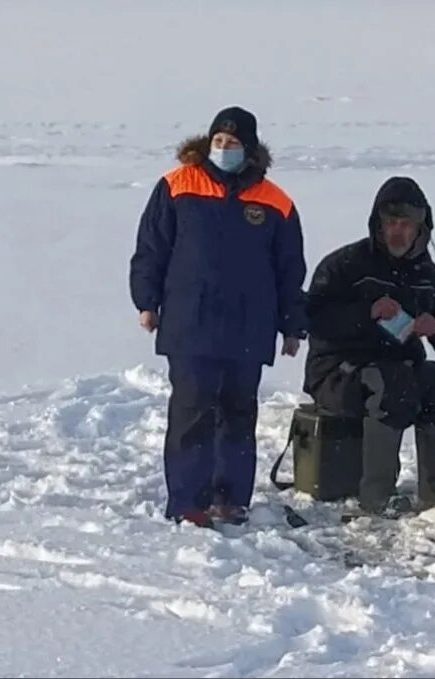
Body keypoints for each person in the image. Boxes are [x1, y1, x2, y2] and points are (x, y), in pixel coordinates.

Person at [129, 106, 307, 527]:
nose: (224, 149)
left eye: (233, 143)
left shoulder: (274, 201)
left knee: (238, 414)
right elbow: (151, 249)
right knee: (192, 412)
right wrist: (146, 301)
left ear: (250, 149)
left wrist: (292, 323)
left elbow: (289, 269)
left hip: (249, 325)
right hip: (191, 322)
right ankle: (188, 501)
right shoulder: (176, 186)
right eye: (218, 142)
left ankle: (230, 498)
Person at [303, 176, 435, 518]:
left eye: (405, 223)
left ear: (420, 228)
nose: (397, 231)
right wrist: (365, 314)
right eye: (390, 222)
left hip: (399, 369)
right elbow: (313, 318)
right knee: (391, 383)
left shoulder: (430, 277)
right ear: (377, 223)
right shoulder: (344, 265)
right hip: (337, 372)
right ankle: (377, 494)